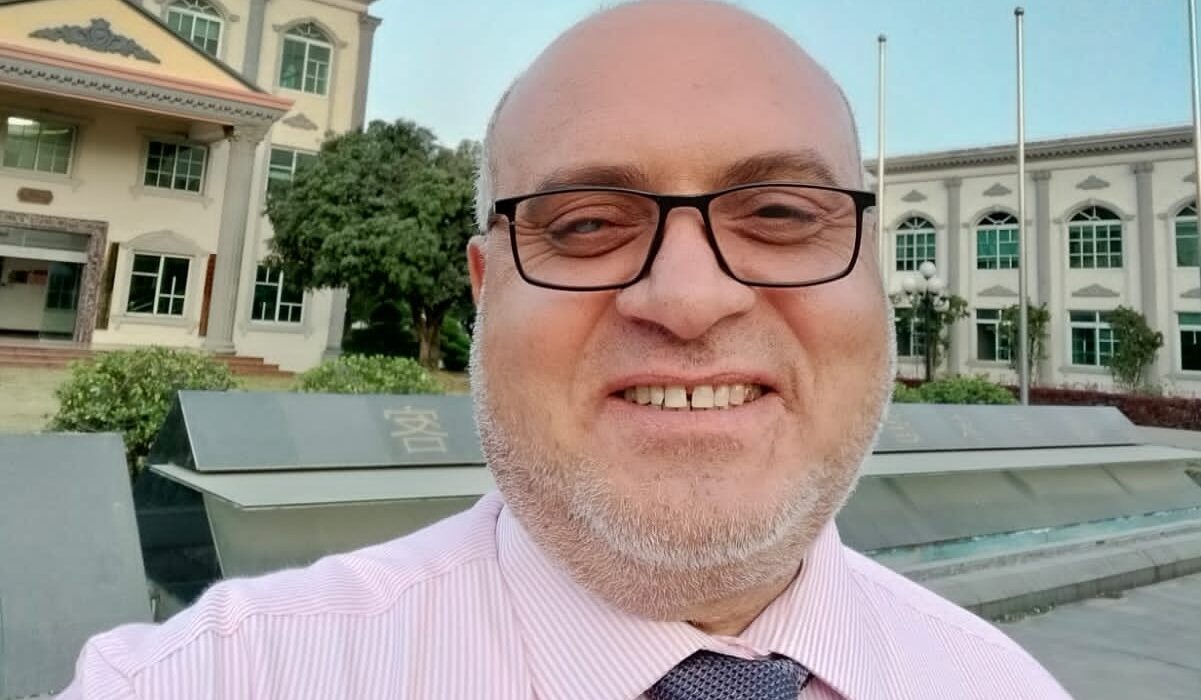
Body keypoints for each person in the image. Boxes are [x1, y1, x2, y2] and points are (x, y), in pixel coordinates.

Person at [60, 1, 1070, 698]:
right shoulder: (217, 679)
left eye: (777, 213)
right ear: (484, 291)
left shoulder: (998, 684)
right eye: (586, 225)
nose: (688, 299)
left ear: (872, 276)